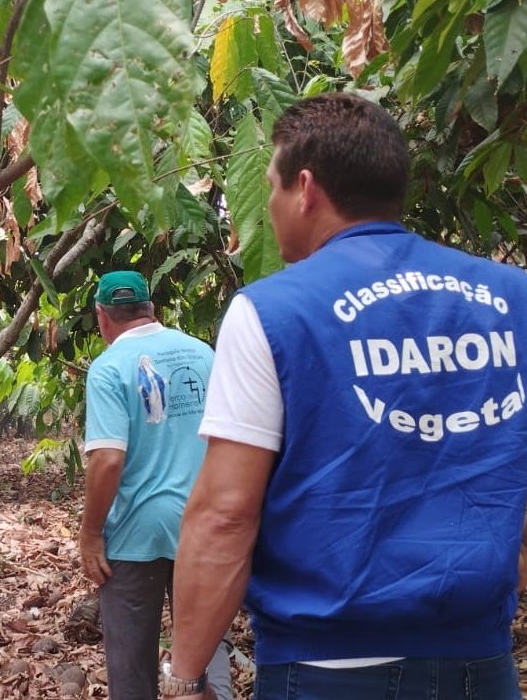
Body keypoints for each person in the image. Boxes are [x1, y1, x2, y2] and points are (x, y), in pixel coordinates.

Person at [166, 92, 527, 699]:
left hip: (325, 669)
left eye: (271, 188)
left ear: (305, 189)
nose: (267, 209)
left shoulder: (272, 312)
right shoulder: (513, 298)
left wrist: (183, 674)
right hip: (479, 667)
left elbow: (225, 514)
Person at [78, 270, 231, 700]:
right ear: (151, 310)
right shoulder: (203, 355)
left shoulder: (108, 368)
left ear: (102, 317)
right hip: (202, 524)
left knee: (131, 668)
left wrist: (90, 533)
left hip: (134, 534)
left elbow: (108, 458)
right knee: (205, 653)